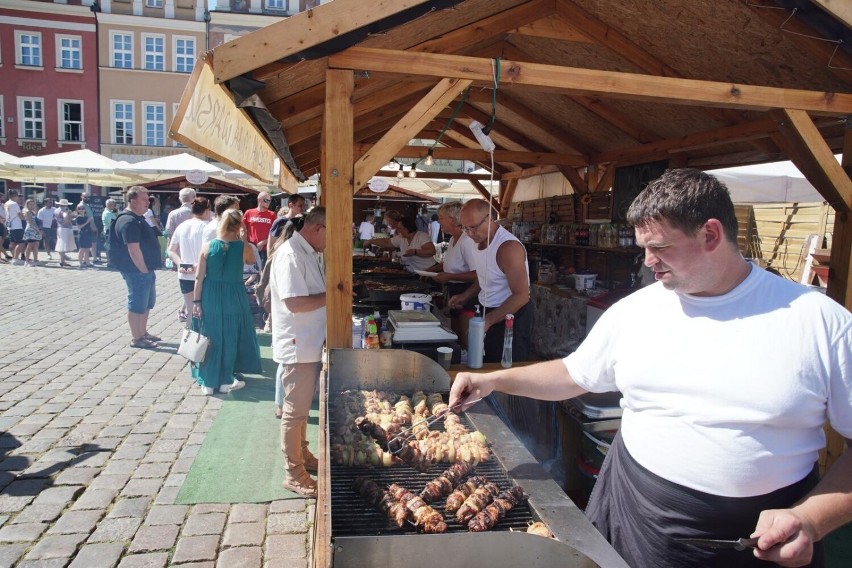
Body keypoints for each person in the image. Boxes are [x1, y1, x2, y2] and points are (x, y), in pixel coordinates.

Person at [449, 169, 852, 568]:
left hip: (759, 541)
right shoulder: (636, 309)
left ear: (711, 234)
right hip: (631, 518)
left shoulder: (819, 321)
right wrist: (494, 381)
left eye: (659, 247)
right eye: (643, 247)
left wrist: (810, 519)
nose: (648, 262)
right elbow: (574, 375)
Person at [269, 207, 326, 497]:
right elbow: (294, 302)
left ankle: (302, 456)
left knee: (301, 410)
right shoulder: (291, 254)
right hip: (298, 342)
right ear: (318, 229)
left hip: (307, 341)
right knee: (295, 412)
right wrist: (333, 295)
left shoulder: (304, 250)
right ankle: (294, 473)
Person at [448, 199, 531, 362]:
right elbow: (484, 275)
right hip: (488, 311)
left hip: (511, 316)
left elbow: (522, 295)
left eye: (473, 227)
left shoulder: (508, 247)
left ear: (489, 218)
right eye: (465, 228)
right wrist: (465, 295)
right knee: (485, 362)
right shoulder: (477, 241)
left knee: (506, 371)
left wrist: (488, 321)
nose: (469, 233)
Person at [191, 208, 260, 395]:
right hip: (234, 294)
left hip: (210, 294)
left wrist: (196, 302)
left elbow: (198, 278)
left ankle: (208, 381)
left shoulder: (207, 246)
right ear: (239, 225)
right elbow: (250, 260)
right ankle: (225, 379)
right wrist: (244, 238)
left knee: (210, 335)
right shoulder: (243, 247)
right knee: (230, 336)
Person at [111, 186, 163, 349]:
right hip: (136, 270)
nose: (148, 202)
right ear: (132, 200)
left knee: (146, 303)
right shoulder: (128, 220)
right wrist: (143, 270)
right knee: (137, 303)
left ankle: (142, 332)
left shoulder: (139, 217)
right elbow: (133, 248)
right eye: (144, 199)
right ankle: (137, 337)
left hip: (145, 269)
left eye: (148, 199)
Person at [424, 202, 477, 340]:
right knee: (456, 337)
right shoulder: (454, 238)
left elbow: (477, 274)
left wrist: (449, 276)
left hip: (468, 294)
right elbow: (450, 263)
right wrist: (431, 270)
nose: (438, 220)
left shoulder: (467, 241)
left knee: (466, 340)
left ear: (452, 220)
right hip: (454, 291)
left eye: (441, 217)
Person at [168, 197, 212, 327]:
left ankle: (188, 340)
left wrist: (180, 263)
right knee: (203, 310)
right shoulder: (208, 227)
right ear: (207, 211)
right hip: (204, 274)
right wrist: (198, 265)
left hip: (185, 274)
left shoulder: (182, 226)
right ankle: (201, 341)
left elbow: (171, 250)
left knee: (190, 309)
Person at [364, 216, 436, 273]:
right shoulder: (401, 238)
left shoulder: (421, 236)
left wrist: (415, 252)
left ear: (406, 228)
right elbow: (387, 242)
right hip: (414, 272)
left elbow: (431, 251)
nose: (398, 230)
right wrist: (370, 241)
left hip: (429, 272)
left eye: (399, 228)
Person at [243, 191, 277, 267]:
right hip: (251, 247)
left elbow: (276, 233)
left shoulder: (272, 215)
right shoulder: (249, 213)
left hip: (266, 249)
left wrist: (264, 242)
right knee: (252, 272)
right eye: (266, 200)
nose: (268, 202)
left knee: (263, 271)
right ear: (259, 200)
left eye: (269, 200)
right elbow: (242, 229)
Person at [77, 192, 101, 262]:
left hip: (90, 226)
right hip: (87, 228)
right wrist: (92, 226)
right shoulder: (81, 205)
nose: (87, 198)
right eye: (85, 197)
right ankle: (87, 260)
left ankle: (91, 259)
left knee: (91, 244)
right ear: (81, 197)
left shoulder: (87, 205)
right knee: (86, 246)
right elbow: (85, 218)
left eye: (88, 197)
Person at [54, 199, 77, 268]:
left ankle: (62, 260)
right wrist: (69, 214)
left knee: (61, 244)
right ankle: (62, 261)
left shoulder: (57, 210)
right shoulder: (63, 211)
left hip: (61, 228)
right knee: (62, 244)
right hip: (64, 228)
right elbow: (66, 220)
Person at [5, 191, 25, 265]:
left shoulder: (7, 203)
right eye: (17, 196)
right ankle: (16, 258)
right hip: (17, 225)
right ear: (14, 196)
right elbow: (20, 215)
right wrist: (25, 218)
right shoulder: (14, 204)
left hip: (10, 225)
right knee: (21, 243)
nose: (18, 198)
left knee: (12, 242)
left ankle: (14, 257)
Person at [22, 199, 43, 267]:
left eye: (33, 204)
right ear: (27, 205)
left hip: (35, 229)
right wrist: (37, 230)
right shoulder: (27, 212)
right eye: (30, 204)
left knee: (36, 245)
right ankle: (26, 261)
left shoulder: (33, 212)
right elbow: (30, 223)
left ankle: (35, 260)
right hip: (31, 230)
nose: (32, 205)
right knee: (29, 246)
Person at [74, 204, 95, 269]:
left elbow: (90, 226)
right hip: (82, 234)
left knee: (87, 249)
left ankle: (87, 262)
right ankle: (80, 263)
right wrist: (87, 222)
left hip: (88, 234)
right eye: (80, 209)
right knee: (82, 249)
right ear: (78, 210)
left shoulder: (86, 217)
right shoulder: (78, 218)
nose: (82, 210)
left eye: (83, 209)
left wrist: (91, 221)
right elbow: (79, 227)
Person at [102, 199, 119, 265]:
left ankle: (111, 261)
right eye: (113, 204)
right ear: (109, 205)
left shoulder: (111, 212)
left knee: (110, 246)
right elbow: (113, 221)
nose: (115, 206)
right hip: (109, 231)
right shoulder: (107, 213)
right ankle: (110, 262)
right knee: (109, 246)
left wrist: (116, 212)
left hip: (111, 231)